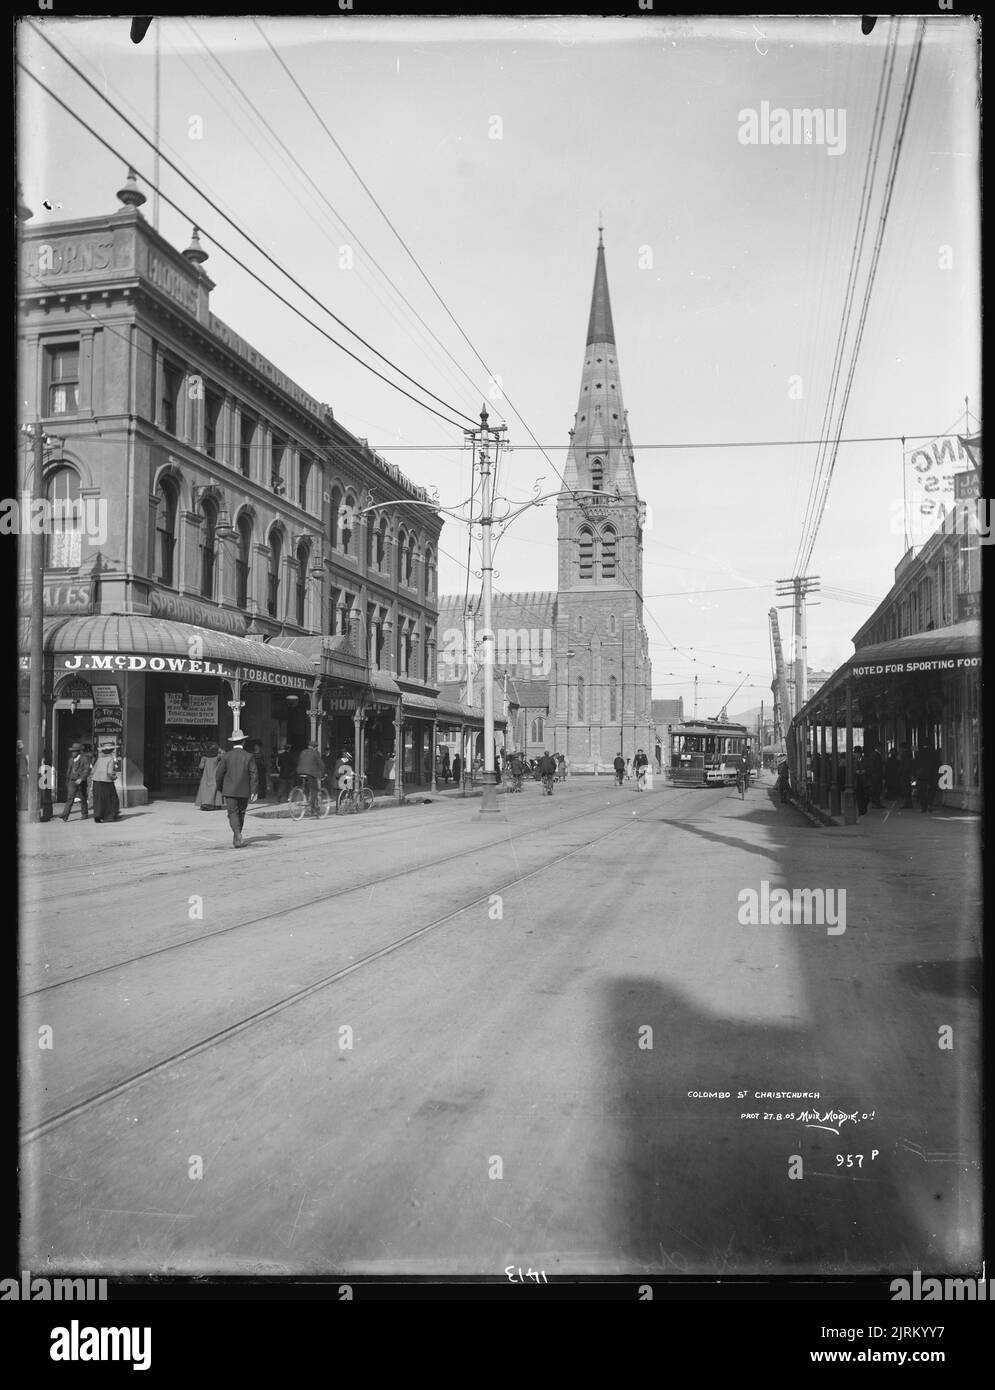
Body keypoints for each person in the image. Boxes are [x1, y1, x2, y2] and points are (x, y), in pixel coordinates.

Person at [215, 731, 259, 847]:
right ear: (243, 742)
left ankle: (238, 835)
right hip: (244, 790)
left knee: (232, 813)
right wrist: (254, 791)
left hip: (229, 789)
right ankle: (237, 838)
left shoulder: (226, 756)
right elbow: (254, 774)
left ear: (232, 742)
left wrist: (220, 787)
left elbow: (219, 774)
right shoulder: (249, 756)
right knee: (241, 813)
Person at [90, 741, 122, 823]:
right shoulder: (110, 759)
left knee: (98, 799)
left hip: (96, 781)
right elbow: (109, 772)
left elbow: (93, 770)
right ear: (111, 751)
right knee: (111, 799)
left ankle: (98, 815)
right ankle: (109, 816)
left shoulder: (99, 759)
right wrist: (114, 777)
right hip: (107, 782)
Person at [60, 742, 92, 821]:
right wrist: (67, 780)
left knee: (83, 798)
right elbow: (69, 770)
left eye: (75, 751)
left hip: (81, 781)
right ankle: (65, 815)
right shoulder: (70, 760)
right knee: (70, 798)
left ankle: (84, 814)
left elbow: (87, 769)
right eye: (72, 751)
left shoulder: (84, 758)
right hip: (72, 781)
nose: (73, 753)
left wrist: (81, 779)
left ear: (79, 752)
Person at [298, 741, 329, 814]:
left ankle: (305, 798)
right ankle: (312, 807)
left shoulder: (303, 752)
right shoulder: (316, 753)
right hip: (311, 774)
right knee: (314, 790)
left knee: (306, 787)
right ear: (315, 747)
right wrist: (324, 773)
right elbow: (321, 764)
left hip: (300, 772)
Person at [195, 744, 224, 811]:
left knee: (205, 791)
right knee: (216, 791)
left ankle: (204, 804)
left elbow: (201, 767)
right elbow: (224, 754)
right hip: (214, 776)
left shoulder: (204, 757)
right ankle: (216, 805)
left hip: (206, 776)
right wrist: (220, 749)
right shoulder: (218, 756)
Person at [38, 749, 56, 822]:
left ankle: (45, 811)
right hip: (44, 777)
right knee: (44, 793)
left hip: (45, 777)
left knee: (44, 793)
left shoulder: (45, 760)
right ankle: (45, 811)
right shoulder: (44, 760)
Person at [867, 742, 884, 809]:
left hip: (876, 775)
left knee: (877, 789)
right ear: (878, 747)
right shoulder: (875, 755)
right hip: (876, 775)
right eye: (881, 747)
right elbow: (874, 766)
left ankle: (876, 803)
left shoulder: (876, 754)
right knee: (876, 789)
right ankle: (876, 803)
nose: (882, 748)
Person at [899, 742, 914, 809]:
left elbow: (905, 765)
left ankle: (907, 803)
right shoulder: (909, 754)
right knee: (908, 788)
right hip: (908, 773)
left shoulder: (904, 755)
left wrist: (901, 771)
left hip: (905, 774)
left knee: (906, 788)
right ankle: (908, 803)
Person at [16, 740, 29, 811]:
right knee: (24, 791)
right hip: (23, 774)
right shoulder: (23, 755)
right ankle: (23, 806)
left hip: (19, 774)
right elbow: (26, 765)